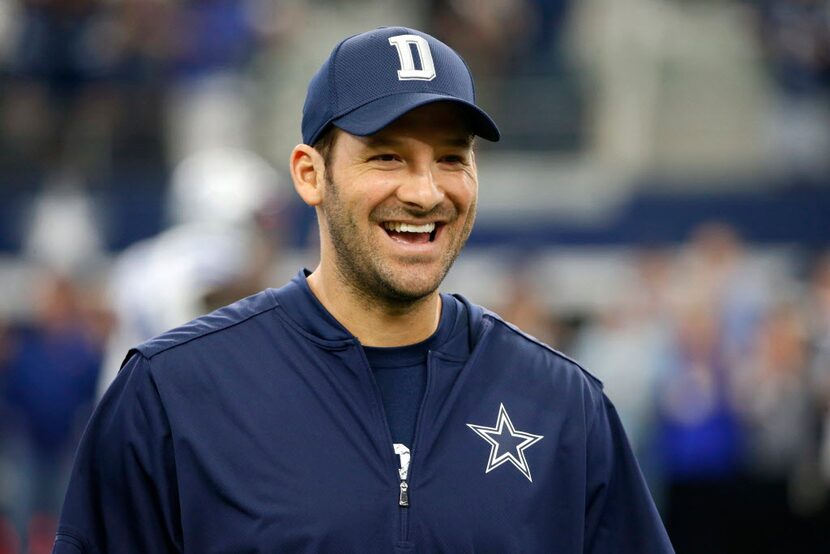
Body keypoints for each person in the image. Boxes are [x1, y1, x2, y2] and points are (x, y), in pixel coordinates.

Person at [52, 27, 674, 553]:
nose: (427, 192)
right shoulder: (173, 392)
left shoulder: (563, 404)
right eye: (387, 157)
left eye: (452, 158)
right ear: (309, 173)